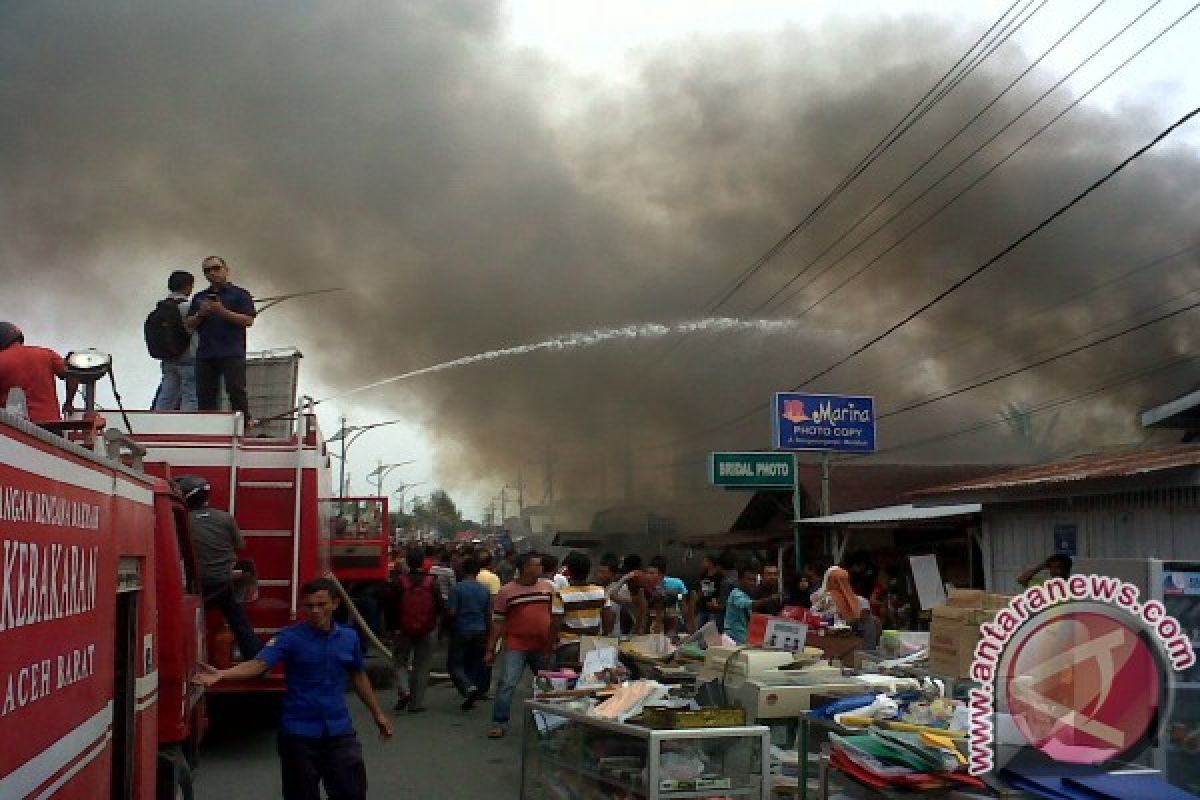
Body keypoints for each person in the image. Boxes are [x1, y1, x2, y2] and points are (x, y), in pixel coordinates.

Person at [194, 577, 393, 800]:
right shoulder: (289, 638)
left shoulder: (349, 637)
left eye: (321, 605)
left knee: (352, 792)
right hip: (299, 733)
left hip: (339, 731)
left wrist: (378, 715)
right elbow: (259, 664)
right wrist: (223, 674)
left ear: (335, 604)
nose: (316, 611)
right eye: (309, 606)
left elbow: (358, 675)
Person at [177, 475, 260, 660]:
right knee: (240, 624)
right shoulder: (225, 518)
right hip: (227, 581)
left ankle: (188, 660)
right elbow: (241, 545)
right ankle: (257, 661)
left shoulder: (182, 520)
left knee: (191, 624)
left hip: (200, 584)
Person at [486, 552, 555, 739]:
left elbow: (555, 616)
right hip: (516, 645)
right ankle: (499, 723)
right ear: (524, 568)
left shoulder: (548, 588)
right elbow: (498, 621)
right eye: (536, 565)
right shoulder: (507, 591)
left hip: (542, 645)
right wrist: (491, 648)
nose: (540, 568)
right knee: (507, 684)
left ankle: (550, 723)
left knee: (547, 685)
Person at [186, 255, 256, 418]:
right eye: (207, 271)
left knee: (236, 391)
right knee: (205, 394)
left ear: (226, 270)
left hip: (232, 352)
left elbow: (248, 320)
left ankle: (243, 426)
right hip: (206, 353)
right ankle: (207, 429)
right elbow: (189, 324)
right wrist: (200, 314)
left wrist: (222, 311)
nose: (212, 273)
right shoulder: (199, 297)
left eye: (216, 268)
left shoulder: (240, 294)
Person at [390, 546, 443, 713]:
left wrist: (393, 628)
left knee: (400, 662)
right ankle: (416, 703)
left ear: (407, 561)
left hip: (402, 629)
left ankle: (404, 690)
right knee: (422, 666)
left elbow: (390, 606)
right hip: (427, 629)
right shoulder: (432, 582)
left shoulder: (399, 581)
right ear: (423, 562)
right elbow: (440, 606)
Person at [0, 322, 77, 423]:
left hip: (12, 428)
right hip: (51, 426)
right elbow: (73, 374)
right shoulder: (46, 354)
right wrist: (69, 403)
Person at [550, 551, 613, 666]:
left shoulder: (561, 595)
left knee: (567, 679)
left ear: (569, 571)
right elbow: (608, 619)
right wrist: (604, 636)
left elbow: (556, 624)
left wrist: (551, 644)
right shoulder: (600, 592)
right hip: (593, 645)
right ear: (589, 570)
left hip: (568, 646)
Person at [447, 556, 492, 711]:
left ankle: (468, 688)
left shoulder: (457, 588)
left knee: (455, 664)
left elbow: (452, 612)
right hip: (480, 630)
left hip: (461, 629)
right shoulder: (484, 590)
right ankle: (472, 690)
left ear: (462, 570)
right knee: (473, 663)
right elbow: (488, 614)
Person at [151, 270, 199, 411]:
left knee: (166, 394)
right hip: (188, 357)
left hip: (168, 358)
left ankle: (159, 423)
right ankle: (186, 426)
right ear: (188, 287)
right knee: (190, 395)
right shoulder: (188, 307)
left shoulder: (161, 308)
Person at [724, 562, 783, 645]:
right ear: (740, 579)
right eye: (749, 579)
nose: (752, 583)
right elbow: (749, 604)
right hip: (734, 636)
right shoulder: (736, 593)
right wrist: (770, 599)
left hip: (746, 634)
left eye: (754, 580)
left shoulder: (748, 593)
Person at [641, 555, 686, 636]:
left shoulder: (676, 583)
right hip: (651, 618)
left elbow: (682, 599)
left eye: (651, 573)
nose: (648, 575)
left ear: (661, 575)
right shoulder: (643, 586)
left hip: (672, 617)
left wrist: (676, 595)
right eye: (647, 573)